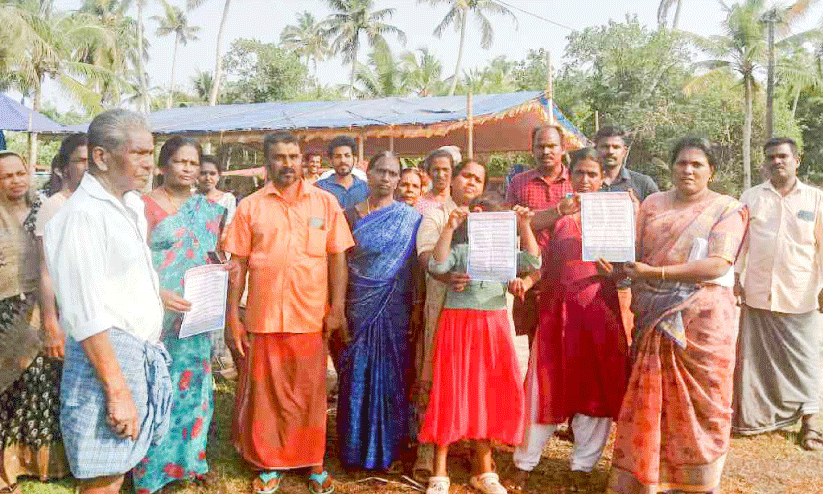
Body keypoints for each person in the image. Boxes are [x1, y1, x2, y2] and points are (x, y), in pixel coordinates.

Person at [605, 137, 748, 494]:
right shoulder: (651, 204)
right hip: (653, 313)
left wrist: (656, 274)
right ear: (671, 168)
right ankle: (649, 478)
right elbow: (633, 255)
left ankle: (698, 483)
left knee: (706, 403)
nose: (688, 170)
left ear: (711, 171)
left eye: (697, 164)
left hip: (704, 320)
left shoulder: (727, 209)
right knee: (652, 398)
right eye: (681, 163)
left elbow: (718, 264)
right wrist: (614, 264)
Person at [43, 109, 173, 494]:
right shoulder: (82, 216)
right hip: (106, 359)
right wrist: (117, 391)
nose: (149, 163)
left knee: (118, 467)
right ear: (101, 157)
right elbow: (85, 314)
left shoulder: (129, 205)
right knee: (103, 476)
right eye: (139, 153)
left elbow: (117, 280)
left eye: (151, 153)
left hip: (134, 352)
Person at [222, 132, 353, 494]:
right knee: (266, 396)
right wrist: (232, 317)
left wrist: (338, 308)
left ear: (302, 159)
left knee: (310, 394)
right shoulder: (250, 207)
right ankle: (269, 463)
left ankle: (314, 463)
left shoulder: (325, 203)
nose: (288, 164)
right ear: (268, 162)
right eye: (280, 157)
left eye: (293, 156)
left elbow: (338, 257)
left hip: (311, 316)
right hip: (264, 316)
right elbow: (237, 265)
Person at [509, 148, 630, 492]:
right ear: (570, 176)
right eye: (580, 173)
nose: (586, 180)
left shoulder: (616, 216)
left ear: (602, 178)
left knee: (594, 388)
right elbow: (538, 256)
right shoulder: (559, 215)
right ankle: (524, 462)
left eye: (593, 174)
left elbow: (627, 269)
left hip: (599, 311)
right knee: (543, 384)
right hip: (556, 311)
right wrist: (527, 281)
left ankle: (582, 466)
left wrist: (616, 270)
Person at [419, 194, 540, 494]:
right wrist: (450, 227)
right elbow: (437, 265)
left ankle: (484, 470)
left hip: (493, 325)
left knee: (487, 391)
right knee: (451, 390)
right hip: (458, 325)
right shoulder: (460, 250)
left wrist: (525, 225)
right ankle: (439, 470)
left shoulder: (505, 253)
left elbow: (533, 261)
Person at [132, 137, 226, 493]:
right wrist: (157, 293)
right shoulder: (142, 207)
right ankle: (150, 471)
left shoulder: (209, 209)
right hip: (154, 316)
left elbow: (211, 253)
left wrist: (222, 268)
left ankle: (188, 461)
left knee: (193, 386)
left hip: (196, 316)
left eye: (193, 163)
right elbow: (130, 264)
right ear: (163, 166)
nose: (188, 169)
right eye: (180, 162)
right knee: (153, 388)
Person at [732, 137, 823, 450]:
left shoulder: (815, 199)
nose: (776, 162)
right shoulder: (751, 197)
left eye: (783, 156)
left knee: (807, 361)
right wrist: (735, 277)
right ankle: (758, 419)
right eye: (770, 157)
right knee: (758, 362)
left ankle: (811, 424)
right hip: (758, 292)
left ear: (797, 160)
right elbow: (741, 242)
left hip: (801, 294)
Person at [336, 152, 422, 470]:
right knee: (356, 373)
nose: (386, 178)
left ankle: (390, 449)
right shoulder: (348, 216)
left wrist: (417, 307)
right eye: (380, 171)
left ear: (398, 179)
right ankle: (354, 448)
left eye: (392, 173)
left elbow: (415, 268)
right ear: (368, 174)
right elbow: (339, 265)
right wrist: (337, 307)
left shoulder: (410, 218)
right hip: (358, 306)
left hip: (396, 306)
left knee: (394, 375)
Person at [0, 150, 69, 494]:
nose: (16, 181)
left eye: (20, 173)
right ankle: (7, 468)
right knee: (7, 387)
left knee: (40, 384)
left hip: (44, 308)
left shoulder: (45, 209)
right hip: (5, 312)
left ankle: (42, 464)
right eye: (6, 176)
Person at [412, 159, 485, 480]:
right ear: (453, 180)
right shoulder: (437, 214)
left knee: (474, 375)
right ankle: (427, 449)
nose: (471, 183)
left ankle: (475, 446)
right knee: (433, 370)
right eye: (466, 176)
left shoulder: (490, 217)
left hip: (479, 311)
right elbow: (425, 257)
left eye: (478, 179)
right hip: (442, 303)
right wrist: (446, 275)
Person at [505, 125, 575, 345]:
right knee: (536, 347)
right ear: (532, 149)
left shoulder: (577, 180)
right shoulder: (519, 182)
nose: (546, 151)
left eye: (552, 146)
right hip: (532, 280)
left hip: (570, 275)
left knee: (572, 344)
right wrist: (558, 211)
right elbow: (512, 226)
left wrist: (532, 220)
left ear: (563, 148)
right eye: (540, 146)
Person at [594, 126, 658, 344]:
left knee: (628, 343)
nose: (610, 151)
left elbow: (659, 227)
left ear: (625, 150)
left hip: (628, 282)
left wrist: (638, 213)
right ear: (596, 149)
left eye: (615, 147)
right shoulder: (585, 182)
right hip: (589, 280)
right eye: (604, 146)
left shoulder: (642, 184)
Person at [35, 133, 89, 363]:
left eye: (93, 159)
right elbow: (45, 271)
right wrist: (50, 323)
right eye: (81, 160)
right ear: (65, 167)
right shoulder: (54, 206)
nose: (88, 167)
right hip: (72, 317)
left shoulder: (110, 204)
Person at [315, 135, 369, 209]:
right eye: (338, 156)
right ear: (331, 160)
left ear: (354, 159)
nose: (343, 160)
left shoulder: (365, 188)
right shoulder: (319, 188)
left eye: (347, 156)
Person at [197, 154, 237, 226]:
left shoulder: (227, 199)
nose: (208, 178)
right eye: (203, 173)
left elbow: (228, 226)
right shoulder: (189, 197)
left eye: (212, 174)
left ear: (218, 176)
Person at [414, 149, 454, 214]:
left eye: (445, 169)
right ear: (428, 172)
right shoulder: (420, 205)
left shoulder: (459, 201)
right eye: (436, 170)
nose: (440, 175)